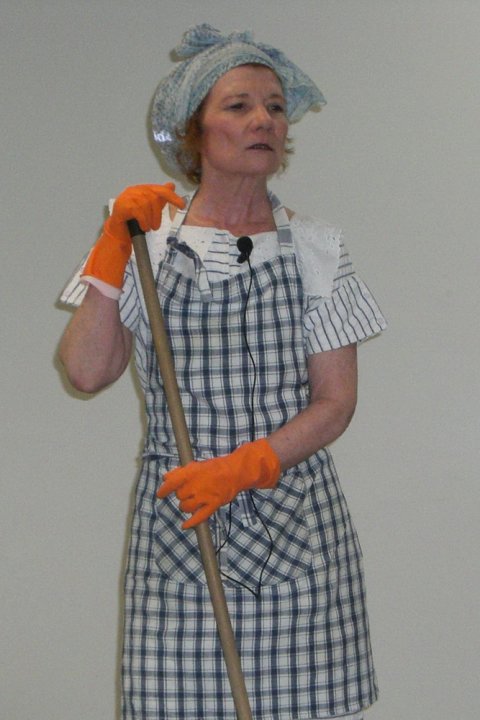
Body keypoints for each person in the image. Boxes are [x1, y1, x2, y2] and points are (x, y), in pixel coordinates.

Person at [58, 23, 386, 720]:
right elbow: (86, 371)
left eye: (274, 106)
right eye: (238, 105)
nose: (264, 119)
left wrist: (247, 465)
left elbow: (335, 402)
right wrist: (113, 249)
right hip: (183, 518)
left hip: (293, 517)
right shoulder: (146, 242)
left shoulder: (317, 248)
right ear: (194, 131)